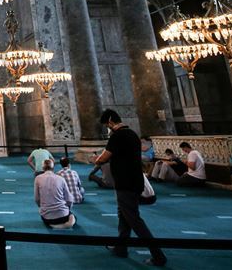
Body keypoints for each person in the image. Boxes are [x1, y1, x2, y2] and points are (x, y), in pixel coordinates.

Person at [94, 109, 166, 267]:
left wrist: (96, 159)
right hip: (135, 181)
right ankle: (121, 247)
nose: (108, 127)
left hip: (125, 183)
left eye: (107, 124)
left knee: (134, 219)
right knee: (124, 215)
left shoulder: (117, 136)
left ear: (111, 121)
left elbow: (103, 158)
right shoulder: (133, 134)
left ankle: (158, 254)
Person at [34, 158, 77, 229]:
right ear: (53, 168)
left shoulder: (37, 179)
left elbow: (36, 199)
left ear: (43, 168)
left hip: (47, 218)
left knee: (43, 214)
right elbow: (69, 199)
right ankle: (66, 225)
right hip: (63, 216)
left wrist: (42, 207)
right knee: (73, 217)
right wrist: (68, 209)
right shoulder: (61, 178)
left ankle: (54, 226)